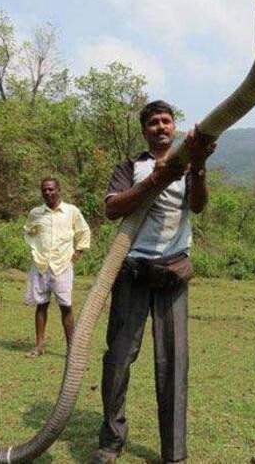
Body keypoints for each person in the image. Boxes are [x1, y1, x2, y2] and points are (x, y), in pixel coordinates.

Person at [92, 100, 216, 464]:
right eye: (153, 122)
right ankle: (111, 441)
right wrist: (158, 177)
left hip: (173, 275)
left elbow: (198, 207)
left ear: (174, 127)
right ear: (144, 129)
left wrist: (201, 165)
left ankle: (173, 454)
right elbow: (113, 208)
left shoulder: (190, 165)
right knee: (117, 359)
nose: (160, 127)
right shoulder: (131, 166)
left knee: (174, 363)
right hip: (132, 272)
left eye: (166, 121)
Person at [23, 178, 91, 358]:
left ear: (59, 190)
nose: (48, 193)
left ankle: (72, 349)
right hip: (41, 265)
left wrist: (78, 252)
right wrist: (34, 247)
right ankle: (39, 346)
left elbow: (83, 231)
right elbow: (28, 231)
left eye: (51, 189)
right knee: (41, 305)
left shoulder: (71, 211)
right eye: (44, 190)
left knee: (66, 307)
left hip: (62, 265)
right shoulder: (36, 213)